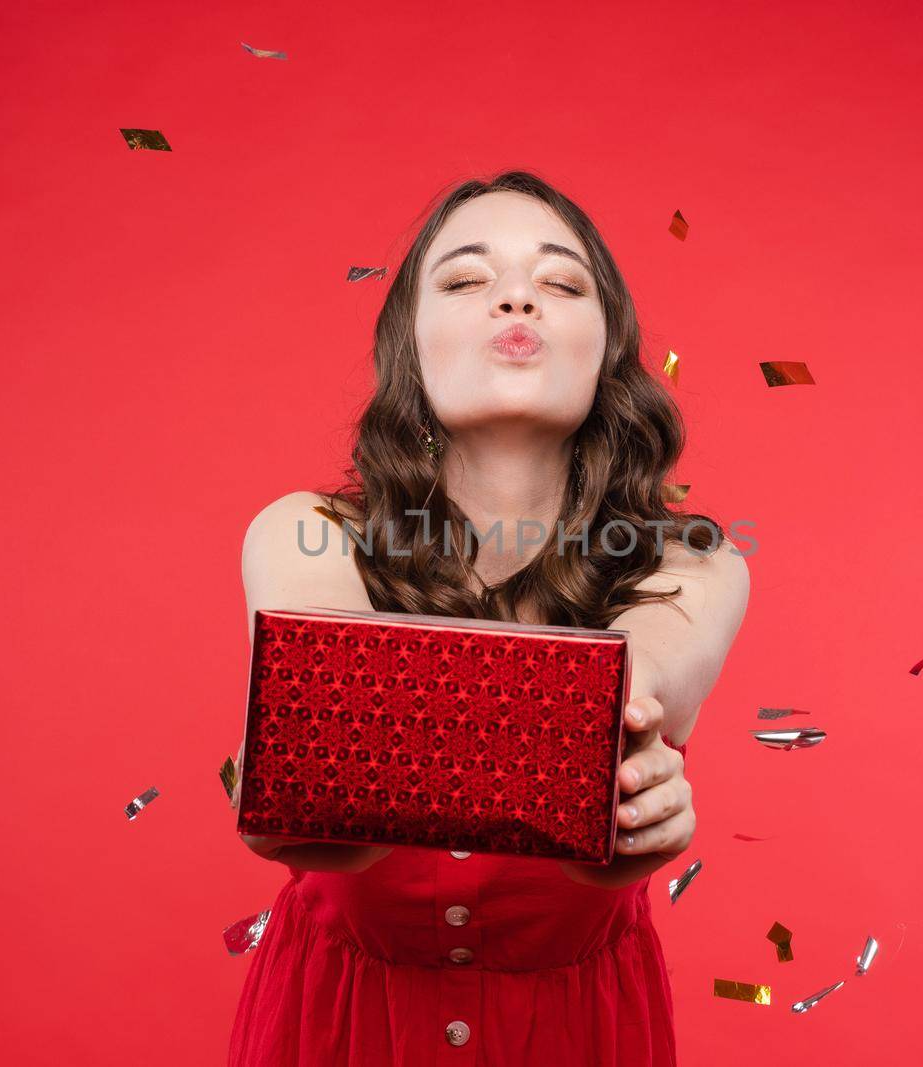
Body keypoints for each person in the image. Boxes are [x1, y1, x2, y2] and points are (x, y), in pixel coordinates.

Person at [228, 170, 751, 1065]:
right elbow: (329, 805)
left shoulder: (695, 557)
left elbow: (644, 674)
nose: (517, 295)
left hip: (579, 1033)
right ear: (411, 347)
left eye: (561, 281)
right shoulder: (305, 532)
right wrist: (305, 779)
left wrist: (622, 783)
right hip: (336, 1028)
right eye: (467, 279)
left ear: (607, 349)